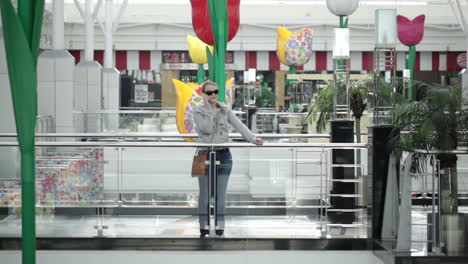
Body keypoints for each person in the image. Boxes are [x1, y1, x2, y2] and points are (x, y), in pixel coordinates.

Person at [193, 80, 263, 238]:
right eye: (209, 92)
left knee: (220, 194)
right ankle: (203, 227)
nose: (213, 95)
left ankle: (219, 227)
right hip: (202, 154)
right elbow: (205, 128)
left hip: (223, 154)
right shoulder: (197, 110)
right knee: (204, 194)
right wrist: (212, 109)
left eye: (216, 92)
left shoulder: (225, 109)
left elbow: (239, 126)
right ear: (203, 94)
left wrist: (253, 139)